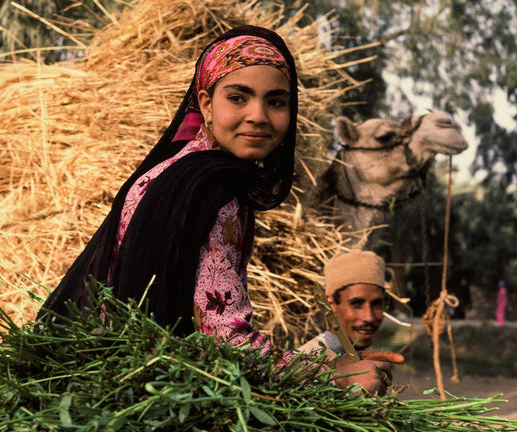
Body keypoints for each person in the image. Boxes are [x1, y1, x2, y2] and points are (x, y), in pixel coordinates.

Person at [38, 26, 403, 394]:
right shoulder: (215, 189)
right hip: (147, 391)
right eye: (238, 98)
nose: (258, 115)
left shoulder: (175, 169)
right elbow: (226, 340)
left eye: (276, 101)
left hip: (109, 374)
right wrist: (332, 373)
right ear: (206, 104)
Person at [299, 250, 387, 359]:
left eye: (377, 304)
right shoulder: (305, 362)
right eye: (356, 304)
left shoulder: (360, 358)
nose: (369, 317)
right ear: (330, 304)